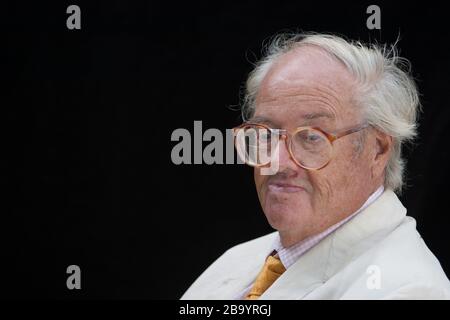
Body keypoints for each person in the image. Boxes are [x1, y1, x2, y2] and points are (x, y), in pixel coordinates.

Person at [181, 33, 450, 299]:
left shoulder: (407, 290)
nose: (278, 162)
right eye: (266, 133)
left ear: (377, 150)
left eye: (311, 137)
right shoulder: (240, 259)